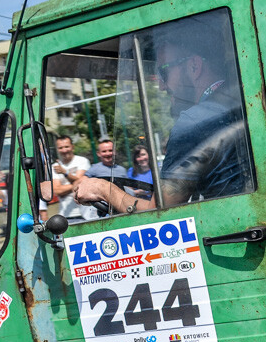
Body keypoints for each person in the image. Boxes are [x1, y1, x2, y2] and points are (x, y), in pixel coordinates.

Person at [76, 15, 250, 214]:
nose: (160, 85)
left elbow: (159, 212)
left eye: (164, 72)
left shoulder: (195, 122)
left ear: (194, 66)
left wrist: (103, 189)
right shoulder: (238, 102)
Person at [51, 134, 91, 223]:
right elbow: (57, 191)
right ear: (57, 149)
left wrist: (65, 172)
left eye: (66, 147)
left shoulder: (82, 161)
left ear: (72, 147)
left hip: (86, 213)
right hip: (66, 215)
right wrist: (77, 182)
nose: (64, 150)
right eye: (60, 148)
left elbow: (81, 183)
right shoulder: (54, 166)